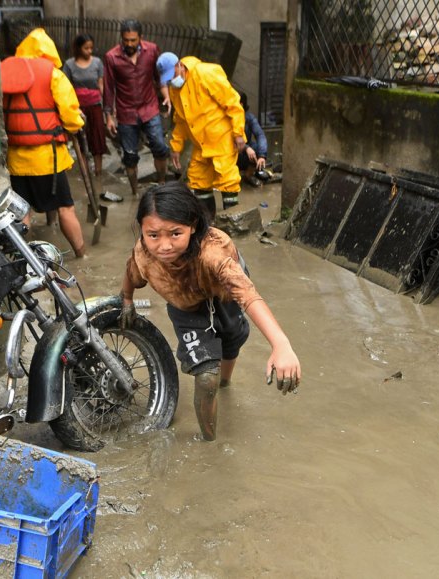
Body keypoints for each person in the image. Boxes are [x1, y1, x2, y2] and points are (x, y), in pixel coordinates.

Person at [119, 181, 301, 441]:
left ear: (192, 226)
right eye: (153, 235)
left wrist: (281, 344)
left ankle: (226, 382)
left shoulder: (213, 255)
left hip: (224, 292)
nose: (164, 246)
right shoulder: (145, 255)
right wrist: (127, 300)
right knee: (206, 378)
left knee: (232, 338)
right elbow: (131, 272)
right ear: (143, 232)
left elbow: (248, 297)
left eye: (175, 233)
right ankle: (210, 442)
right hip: (185, 304)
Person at [1, 28, 86, 258]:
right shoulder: (53, 74)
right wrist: (75, 126)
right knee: (65, 208)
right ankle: (82, 255)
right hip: (47, 159)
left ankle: (19, 259)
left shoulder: (6, 71)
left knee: (22, 212)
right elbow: (70, 114)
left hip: (16, 160)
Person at [156, 52, 245, 218]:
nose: (172, 79)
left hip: (222, 138)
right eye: (168, 78)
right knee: (198, 181)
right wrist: (176, 146)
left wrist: (238, 133)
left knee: (228, 181)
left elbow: (232, 102)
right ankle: (208, 224)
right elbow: (181, 121)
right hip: (201, 143)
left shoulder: (205, 73)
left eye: (173, 74)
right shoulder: (175, 89)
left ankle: (233, 225)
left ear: (180, 65)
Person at [103, 19, 171, 196]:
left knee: (159, 147)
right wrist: (108, 116)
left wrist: (166, 95)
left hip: (150, 108)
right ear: (121, 38)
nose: (129, 44)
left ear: (141, 37)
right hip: (126, 113)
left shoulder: (152, 50)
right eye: (126, 40)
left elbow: (159, 76)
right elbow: (109, 87)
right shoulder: (112, 57)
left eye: (133, 40)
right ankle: (134, 192)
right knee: (130, 155)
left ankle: (162, 183)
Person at [63, 33, 109, 177]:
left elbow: (101, 85)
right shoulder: (69, 65)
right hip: (78, 108)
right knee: (81, 139)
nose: (89, 51)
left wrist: (106, 107)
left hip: (95, 105)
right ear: (78, 48)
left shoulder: (97, 63)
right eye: (86, 48)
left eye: (91, 48)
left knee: (98, 138)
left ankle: (98, 172)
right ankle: (85, 172)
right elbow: (66, 87)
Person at [237, 92, 268, 188]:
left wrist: (262, 155)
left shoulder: (249, 118)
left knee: (256, 147)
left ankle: (249, 175)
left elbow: (260, 135)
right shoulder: (227, 118)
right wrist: (246, 148)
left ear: (241, 104)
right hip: (231, 153)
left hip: (244, 156)